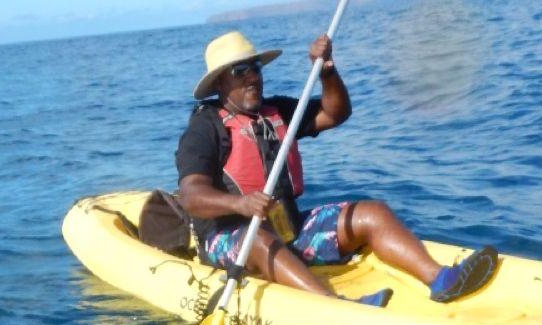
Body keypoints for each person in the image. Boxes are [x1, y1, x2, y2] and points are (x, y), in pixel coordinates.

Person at [175, 31, 500, 308]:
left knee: (372, 213)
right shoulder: (205, 128)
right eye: (240, 71)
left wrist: (327, 71)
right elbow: (192, 195)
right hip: (231, 239)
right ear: (220, 83)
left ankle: (442, 279)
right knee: (258, 237)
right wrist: (240, 204)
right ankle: (332, 309)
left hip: (288, 228)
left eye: (255, 67)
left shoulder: (278, 111)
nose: (252, 76)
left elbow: (335, 113)